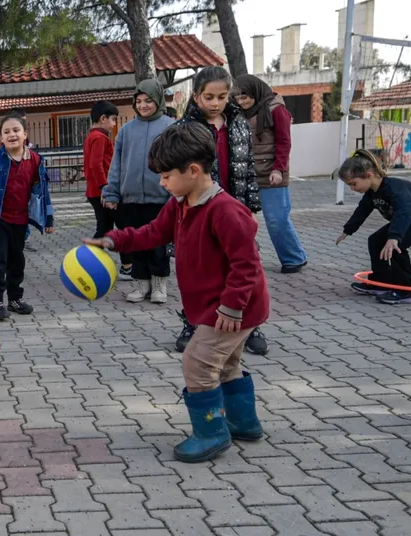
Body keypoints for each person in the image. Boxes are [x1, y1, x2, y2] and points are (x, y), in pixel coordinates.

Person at [86, 123, 268, 464]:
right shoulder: (182, 203)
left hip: (232, 309)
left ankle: (211, 434)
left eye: (167, 176)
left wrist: (231, 308)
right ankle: (244, 423)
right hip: (220, 307)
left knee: (197, 363)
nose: (162, 182)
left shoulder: (225, 210)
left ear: (194, 170)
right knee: (227, 365)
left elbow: (247, 266)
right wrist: (115, 240)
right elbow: (153, 232)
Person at [176, 66, 267, 356]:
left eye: (222, 96)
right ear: (196, 96)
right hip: (202, 208)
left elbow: (248, 167)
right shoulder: (185, 128)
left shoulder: (238, 123)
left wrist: (251, 207)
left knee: (242, 264)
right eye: (209, 97)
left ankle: (250, 325)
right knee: (200, 270)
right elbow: (178, 173)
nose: (215, 103)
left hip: (235, 207)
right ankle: (195, 322)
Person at [0, 111, 55, 321]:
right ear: (2, 138)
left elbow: (43, 191)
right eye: (6, 132)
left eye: (16, 130)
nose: (11, 134)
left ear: (25, 134)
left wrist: (48, 218)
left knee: (17, 261)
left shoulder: (35, 160)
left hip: (20, 220)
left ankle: (15, 299)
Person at [102, 80, 174, 304]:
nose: (143, 105)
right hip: (130, 200)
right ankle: (140, 285)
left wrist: (176, 194)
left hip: (161, 198)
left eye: (148, 101)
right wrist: (112, 193)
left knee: (158, 244)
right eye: (139, 101)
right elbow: (117, 164)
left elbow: (178, 161)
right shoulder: (126, 130)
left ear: (158, 101)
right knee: (136, 244)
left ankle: (159, 285)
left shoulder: (172, 127)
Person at [234, 73, 309, 274]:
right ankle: (245, 260)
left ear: (256, 93)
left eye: (245, 97)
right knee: (241, 220)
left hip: (271, 174)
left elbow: (284, 142)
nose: (242, 102)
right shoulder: (239, 113)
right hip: (247, 173)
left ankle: (294, 258)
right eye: (238, 98)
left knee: (277, 219)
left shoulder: (277, 110)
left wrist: (278, 169)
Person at [337, 149, 411, 305]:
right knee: (375, 241)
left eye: (353, 184)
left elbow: (404, 212)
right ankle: (381, 282)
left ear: (368, 175)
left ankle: (407, 290)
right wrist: (348, 230)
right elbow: (362, 211)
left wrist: (394, 237)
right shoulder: (372, 193)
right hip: (405, 220)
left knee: (395, 247)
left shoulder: (394, 188)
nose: (352, 188)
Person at [85, 101, 129, 279]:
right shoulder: (100, 137)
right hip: (102, 192)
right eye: (113, 119)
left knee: (105, 228)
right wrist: (105, 187)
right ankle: (127, 266)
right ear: (103, 118)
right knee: (121, 227)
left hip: (96, 191)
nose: (114, 124)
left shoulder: (92, 136)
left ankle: (88, 262)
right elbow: (96, 164)